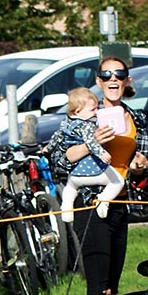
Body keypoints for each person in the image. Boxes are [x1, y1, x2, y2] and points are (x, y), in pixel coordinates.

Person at [50, 56, 148, 295]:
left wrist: (138, 166)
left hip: (119, 205)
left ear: (126, 79)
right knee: (97, 286)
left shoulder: (136, 118)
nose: (112, 79)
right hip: (88, 204)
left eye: (118, 74)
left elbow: (141, 168)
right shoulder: (82, 120)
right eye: (106, 74)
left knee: (111, 289)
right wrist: (92, 144)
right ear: (98, 80)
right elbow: (58, 161)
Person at [41, 87, 123, 224]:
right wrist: (101, 152)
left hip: (76, 174)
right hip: (94, 171)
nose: (96, 112)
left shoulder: (65, 123)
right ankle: (104, 201)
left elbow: (56, 137)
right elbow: (91, 141)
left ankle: (67, 207)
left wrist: (47, 149)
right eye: (93, 109)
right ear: (77, 111)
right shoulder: (87, 125)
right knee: (118, 181)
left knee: (70, 188)